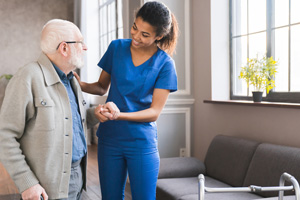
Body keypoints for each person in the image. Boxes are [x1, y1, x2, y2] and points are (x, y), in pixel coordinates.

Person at [75, 1, 179, 199]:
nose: (136, 37)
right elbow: (101, 87)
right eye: (135, 27)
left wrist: (118, 115)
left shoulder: (165, 64)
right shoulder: (116, 47)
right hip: (109, 139)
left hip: (141, 141)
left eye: (145, 34)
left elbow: (154, 112)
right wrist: (80, 84)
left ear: (159, 36)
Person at [0, 19, 89, 200]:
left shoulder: (72, 80)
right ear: (64, 48)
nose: (85, 47)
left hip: (79, 175)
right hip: (46, 188)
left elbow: (69, 121)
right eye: (80, 42)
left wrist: (96, 114)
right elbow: (4, 135)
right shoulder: (27, 77)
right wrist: (28, 183)